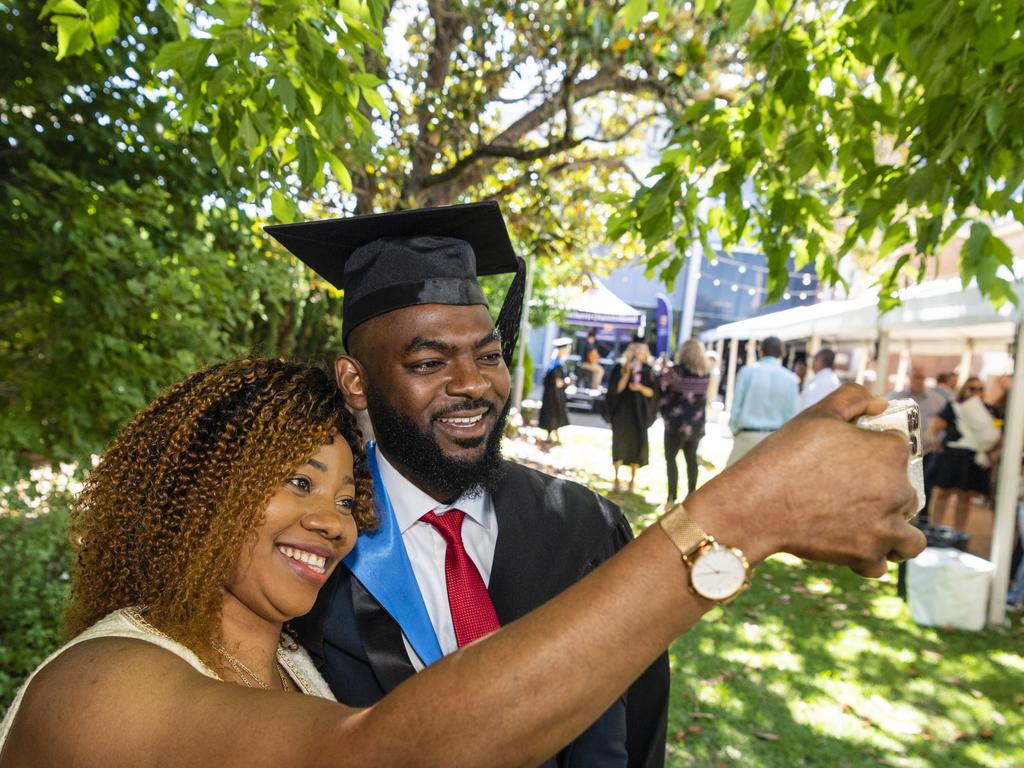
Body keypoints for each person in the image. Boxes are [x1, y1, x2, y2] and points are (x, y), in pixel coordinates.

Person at [0, 355, 927, 767]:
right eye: (295, 480)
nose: (331, 521)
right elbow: (386, 757)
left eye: (344, 495)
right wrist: (742, 515)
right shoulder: (107, 683)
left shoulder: (290, 667)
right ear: (196, 492)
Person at [268, 202, 670, 767]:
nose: (474, 384)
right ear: (355, 381)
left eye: (489, 355)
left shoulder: (584, 530)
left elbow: (640, 728)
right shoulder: (311, 546)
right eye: (430, 363)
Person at [928, 377, 998, 531]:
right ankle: (934, 530)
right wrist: (934, 441)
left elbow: (999, 431)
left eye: (980, 389)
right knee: (943, 493)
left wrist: (995, 452)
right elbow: (936, 424)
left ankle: (958, 533)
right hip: (951, 455)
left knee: (965, 497)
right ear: (964, 389)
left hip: (972, 458)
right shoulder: (954, 407)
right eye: (972, 388)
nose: (976, 392)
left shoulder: (990, 410)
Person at [727, 336, 799, 466]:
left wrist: (734, 429)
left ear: (761, 351)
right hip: (774, 438)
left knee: (730, 482)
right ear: (781, 353)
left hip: (746, 435)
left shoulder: (747, 371)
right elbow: (791, 414)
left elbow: (736, 404)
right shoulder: (791, 379)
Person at [657, 339, 710, 508]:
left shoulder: (675, 372)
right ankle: (691, 496)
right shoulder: (705, 373)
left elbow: (659, 383)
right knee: (691, 460)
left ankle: (671, 498)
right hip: (696, 425)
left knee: (671, 459)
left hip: (676, 424)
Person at [607, 341, 658, 493]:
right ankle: (616, 479)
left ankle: (632, 481)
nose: (638, 354)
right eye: (636, 351)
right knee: (620, 443)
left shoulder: (649, 371)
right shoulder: (620, 368)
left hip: (640, 413)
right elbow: (616, 389)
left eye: (642, 351)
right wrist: (627, 373)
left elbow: (653, 394)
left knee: (637, 444)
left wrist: (640, 388)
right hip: (622, 412)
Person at [539, 338, 572, 442]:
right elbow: (558, 383)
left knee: (552, 415)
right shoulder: (558, 365)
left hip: (550, 395)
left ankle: (553, 436)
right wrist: (568, 381)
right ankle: (553, 437)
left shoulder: (553, 363)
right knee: (554, 414)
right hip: (554, 396)